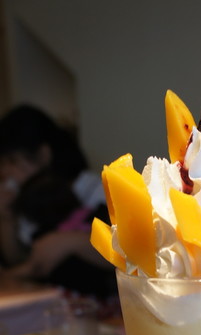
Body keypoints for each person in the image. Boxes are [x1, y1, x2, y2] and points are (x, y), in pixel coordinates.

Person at [0, 104, 115, 296]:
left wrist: (69, 241)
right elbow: (20, 261)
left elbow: (129, 254)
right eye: (2, 163)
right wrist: (6, 218)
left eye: (12, 161)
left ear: (43, 154)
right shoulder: (23, 200)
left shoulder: (93, 189)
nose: (5, 172)